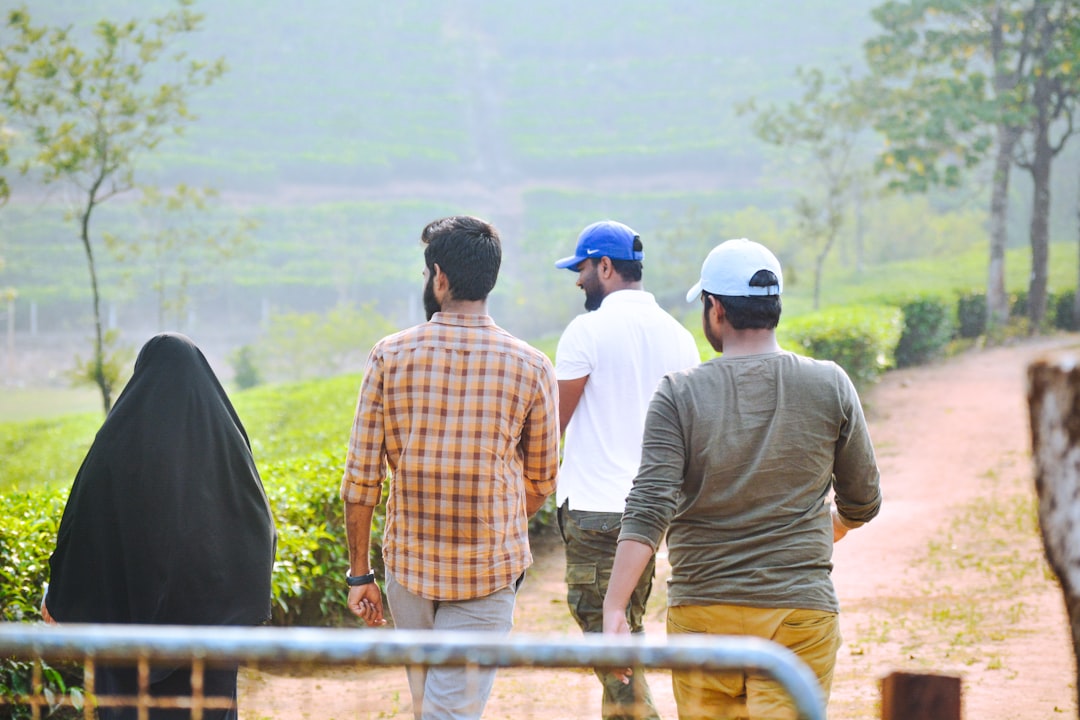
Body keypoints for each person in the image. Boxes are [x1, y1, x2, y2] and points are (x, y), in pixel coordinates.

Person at [602, 238, 882, 720]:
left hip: (703, 614)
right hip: (799, 614)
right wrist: (827, 528)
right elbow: (864, 500)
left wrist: (614, 609)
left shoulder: (678, 394)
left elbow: (649, 506)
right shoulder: (829, 383)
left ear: (715, 309)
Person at [340, 215, 560, 720]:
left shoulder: (389, 356)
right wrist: (491, 518)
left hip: (409, 571)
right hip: (488, 571)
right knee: (442, 711)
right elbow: (542, 479)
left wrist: (359, 574)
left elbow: (361, 480)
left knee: (436, 709)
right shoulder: (531, 366)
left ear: (439, 277)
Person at [42, 332, 277, 720]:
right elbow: (258, 527)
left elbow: (82, 528)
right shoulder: (225, 444)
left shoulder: (114, 447)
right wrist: (236, 605)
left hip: (126, 639)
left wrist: (61, 593)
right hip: (209, 636)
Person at [552, 219, 700, 720]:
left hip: (596, 514)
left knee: (613, 652)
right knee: (623, 635)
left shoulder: (586, 331)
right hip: (653, 515)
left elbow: (552, 425)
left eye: (581, 269)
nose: (578, 281)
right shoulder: (680, 338)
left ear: (605, 267)